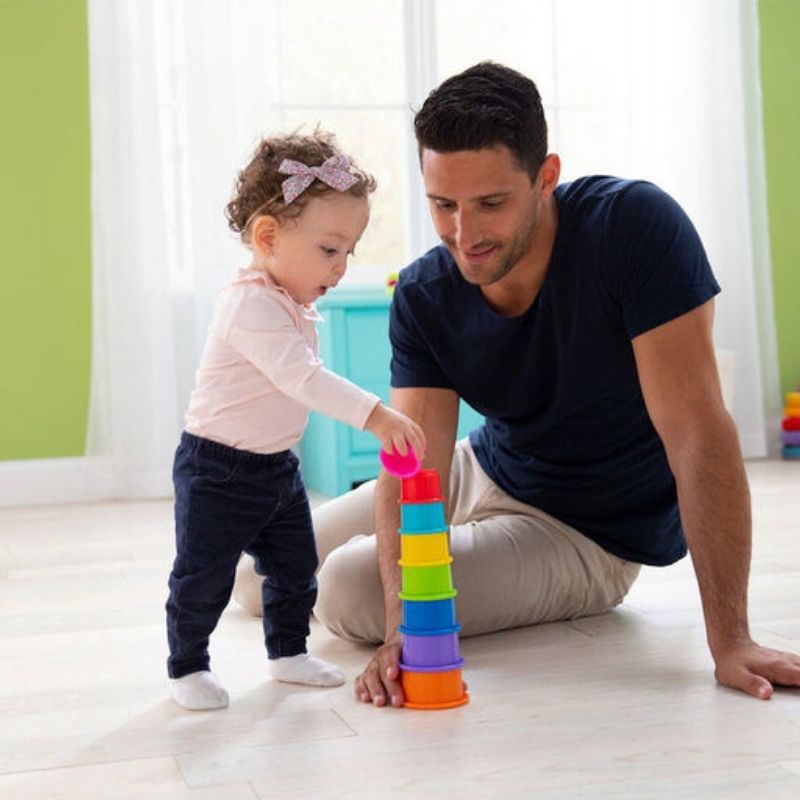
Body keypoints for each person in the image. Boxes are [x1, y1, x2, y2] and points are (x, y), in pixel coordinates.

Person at [234, 62, 800, 708]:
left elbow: (699, 432)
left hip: (587, 531)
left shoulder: (635, 230)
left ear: (545, 178)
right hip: (490, 464)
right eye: (443, 205)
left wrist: (732, 639)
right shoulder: (425, 293)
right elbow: (413, 464)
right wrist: (405, 632)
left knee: (344, 590)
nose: (464, 235)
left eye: (491, 204)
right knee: (259, 575)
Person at [165, 131, 426, 711]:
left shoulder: (289, 302)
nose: (341, 266)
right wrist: (377, 416)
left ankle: (287, 653)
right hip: (217, 470)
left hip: (277, 467)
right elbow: (302, 379)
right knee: (201, 575)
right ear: (267, 236)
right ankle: (187, 664)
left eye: (350, 252)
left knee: (295, 568)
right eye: (330, 250)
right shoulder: (249, 304)